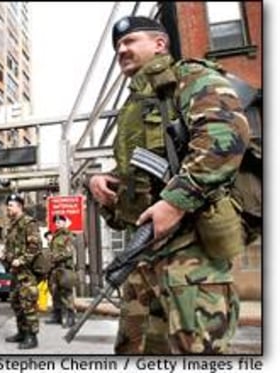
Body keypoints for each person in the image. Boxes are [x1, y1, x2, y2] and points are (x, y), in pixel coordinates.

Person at [88, 16, 250, 354]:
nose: (121, 48)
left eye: (130, 41)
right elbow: (142, 175)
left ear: (160, 44)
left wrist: (175, 203)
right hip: (143, 259)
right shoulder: (133, 106)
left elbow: (226, 137)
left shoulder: (189, 78)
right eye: (118, 44)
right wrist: (107, 183)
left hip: (190, 256)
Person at [0, 193, 41, 349]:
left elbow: (35, 247)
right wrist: (4, 256)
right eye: (8, 205)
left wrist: (21, 260)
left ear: (19, 206)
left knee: (28, 304)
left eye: (10, 205)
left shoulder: (28, 223)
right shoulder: (12, 225)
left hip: (27, 272)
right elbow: (11, 248)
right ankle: (22, 332)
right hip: (15, 272)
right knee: (16, 303)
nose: (8, 208)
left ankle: (32, 336)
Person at [45, 214, 76, 328]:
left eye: (60, 221)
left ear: (64, 223)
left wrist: (55, 257)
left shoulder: (68, 236)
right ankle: (57, 316)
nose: (57, 223)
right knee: (55, 292)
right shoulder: (55, 237)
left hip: (64, 268)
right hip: (55, 269)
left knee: (66, 293)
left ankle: (71, 318)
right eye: (56, 222)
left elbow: (69, 253)